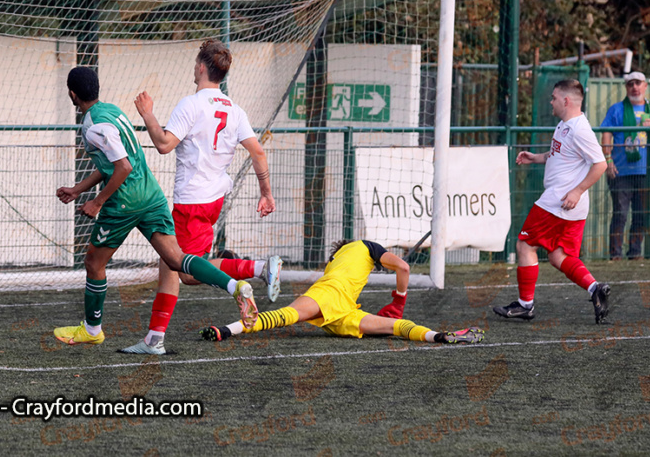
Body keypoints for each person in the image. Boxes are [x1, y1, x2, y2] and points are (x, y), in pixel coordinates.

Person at [53, 66, 258, 346]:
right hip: (152, 196)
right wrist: (78, 190)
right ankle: (235, 286)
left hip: (125, 201)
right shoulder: (112, 111)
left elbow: (122, 167)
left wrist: (97, 202)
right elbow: (114, 162)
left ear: (72, 94)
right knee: (176, 260)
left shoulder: (93, 126)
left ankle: (92, 330)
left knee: (93, 262)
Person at [120, 39, 281, 355]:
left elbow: (165, 144)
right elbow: (258, 152)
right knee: (172, 265)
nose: (194, 66)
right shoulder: (234, 109)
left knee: (183, 271)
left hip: (191, 201)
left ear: (203, 67)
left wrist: (148, 115)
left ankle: (249, 275)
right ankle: (154, 339)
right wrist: (266, 193)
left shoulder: (191, 104)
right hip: (213, 200)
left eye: (196, 62)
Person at [200, 239, 484, 345]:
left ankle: (229, 329)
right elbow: (404, 268)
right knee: (395, 325)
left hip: (342, 305)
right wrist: (398, 300)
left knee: (288, 315)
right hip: (336, 300)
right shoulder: (368, 247)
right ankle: (438, 335)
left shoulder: (336, 260)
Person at [494, 80, 610, 324]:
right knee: (558, 256)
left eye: (554, 97)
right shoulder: (564, 125)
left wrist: (577, 191)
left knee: (525, 245)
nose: (551, 101)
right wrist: (535, 157)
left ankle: (525, 305)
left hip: (559, 201)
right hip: (568, 204)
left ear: (566, 101)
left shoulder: (580, 129)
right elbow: (558, 155)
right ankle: (594, 288)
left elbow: (600, 164)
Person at [600, 71, 650, 260]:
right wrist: (608, 159)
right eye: (630, 84)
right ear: (626, 88)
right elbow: (606, 133)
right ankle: (616, 255)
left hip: (646, 172)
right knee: (620, 214)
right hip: (620, 172)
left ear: (645, 86)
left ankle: (636, 253)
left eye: (638, 83)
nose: (634, 87)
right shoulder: (616, 110)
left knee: (641, 215)